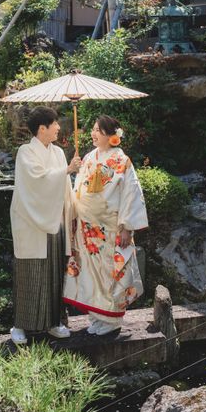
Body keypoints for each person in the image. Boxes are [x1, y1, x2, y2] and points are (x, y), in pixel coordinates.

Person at [62, 115, 148, 336]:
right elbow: (80, 188)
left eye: (98, 130)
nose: (93, 133)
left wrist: (127, 226)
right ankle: (98, 317)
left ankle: (112, 321)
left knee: (110, 272)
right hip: (87, 228)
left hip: (110, 228)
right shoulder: (90, 157)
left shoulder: (122, 160)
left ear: (112, 136)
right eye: (93, 129)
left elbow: (131, 193)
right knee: (90, 274)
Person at [9, 106, 82, 345]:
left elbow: (63, 187)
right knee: (30, 271)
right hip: (32, 222)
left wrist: (73, 210)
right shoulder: (25, 152)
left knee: (54, 271)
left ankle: (54, 322)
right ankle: (20, 325)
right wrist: (67, 170)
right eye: (55, 124)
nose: (59, 127)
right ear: (43, 128)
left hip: (55, 219)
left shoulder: (58, 153)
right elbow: (36, 181)